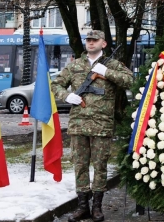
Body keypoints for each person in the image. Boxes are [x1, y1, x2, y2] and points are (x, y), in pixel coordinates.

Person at [52, 30, 133, 222]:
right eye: (88, 40)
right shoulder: (75, 66)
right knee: (80, 166)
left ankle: (97, 207)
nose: (90, 43)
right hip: (78, 124)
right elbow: (56, 85)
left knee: (100, 166)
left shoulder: (112, 65)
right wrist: (67, 96)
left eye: (94, 40)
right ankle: (82, 207)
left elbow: (130, 81)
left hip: (101, 124)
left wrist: (107, 73)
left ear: (103, 44)